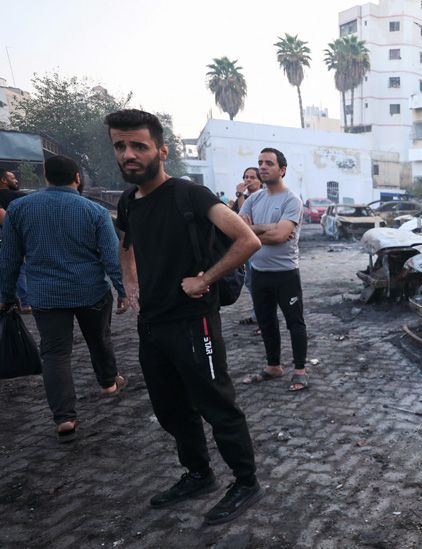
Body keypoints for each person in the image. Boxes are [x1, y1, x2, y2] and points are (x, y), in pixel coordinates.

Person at [107, 109, 263, 525]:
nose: (128, 155)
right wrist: (130, 283)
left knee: (217, 404)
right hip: (152, 324)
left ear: (162, 150)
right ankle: (199, 473)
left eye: (138, 146)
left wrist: (206, 278)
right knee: (171, 408)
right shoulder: (127, 201)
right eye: (120, 146)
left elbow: (247, 240)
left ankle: (246, 482)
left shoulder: (189, 194)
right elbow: (127, 244)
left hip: (195, 321)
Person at [0, 156, 127, 442]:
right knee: (100, 339)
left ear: (46, 177)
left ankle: (65, 418)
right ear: (77, 177)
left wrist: (6, 296)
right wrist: (122, 290)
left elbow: (8, 259)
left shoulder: (19, 209)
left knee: (55, 354)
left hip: (46, 296)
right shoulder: (94, 211)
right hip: (91, 291)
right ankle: (108, 383)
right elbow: (111, 256)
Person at [239, 148, 309, 392]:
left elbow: (281, 236)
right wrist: (266, 229)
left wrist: (254, 230)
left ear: (282, 169)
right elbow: (239, 231)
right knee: (267, 322)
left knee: (294, 322)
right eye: (260, 162)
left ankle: (300, 370)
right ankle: (273, 366)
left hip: (286, 273)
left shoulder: (291, 200)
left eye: (269, 163)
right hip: (259, 272)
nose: (263, 167)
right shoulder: (254, 199)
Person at [232, 167, 261, 327]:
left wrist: (240, 195)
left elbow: (244, 218)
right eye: (246, 177)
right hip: (247, 247)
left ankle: (262, 317)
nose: (247, 180)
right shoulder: (243, 198)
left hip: (259, 246)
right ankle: (258, 315)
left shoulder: (261, 197)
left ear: (260, 181)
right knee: (250, 282)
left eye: (252, 177)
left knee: (257, 283)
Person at [0, 169, 30, 312]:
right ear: (3, 180)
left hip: (5, 237)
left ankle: (9, 301)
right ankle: (24, 302)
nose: (16, 180)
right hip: (17, 236)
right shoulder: (22, 197)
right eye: (12, 177)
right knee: (19, 268)